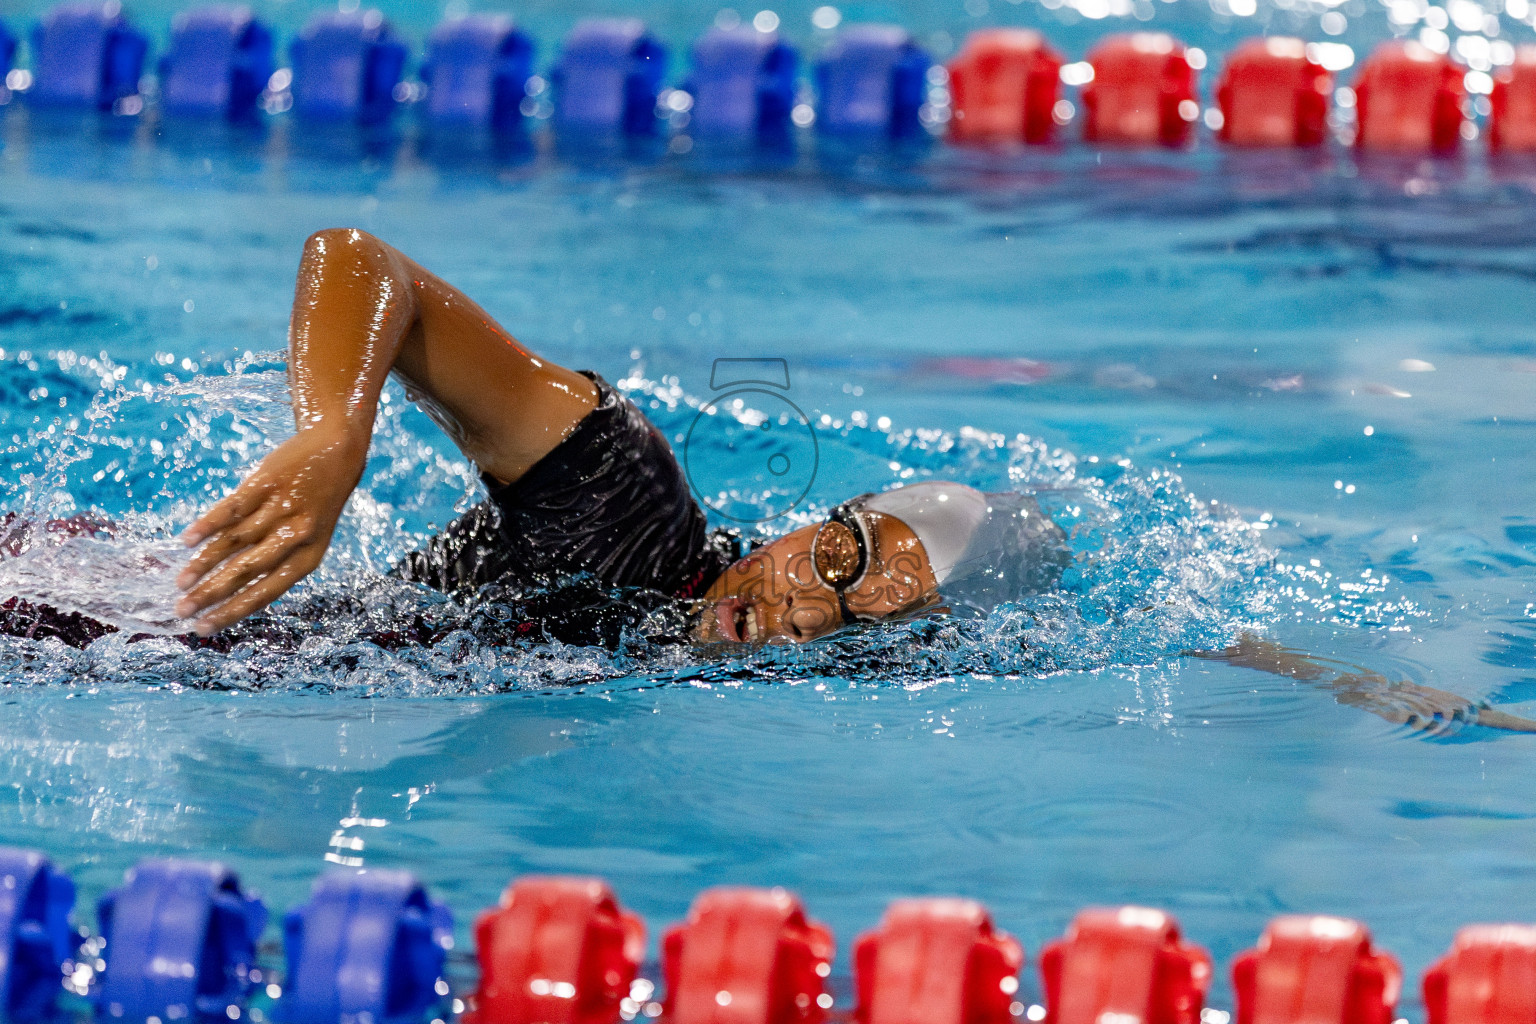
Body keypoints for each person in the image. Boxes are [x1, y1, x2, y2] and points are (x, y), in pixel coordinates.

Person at [2, 229, 1532, 734]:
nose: (805, 606)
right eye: (845, 553)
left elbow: (1143, 630)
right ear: (822, 515)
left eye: (870, 613)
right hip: (100, 594)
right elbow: (358, 262)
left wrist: (1365, 690)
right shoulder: (631, 504)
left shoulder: (747, 664)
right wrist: (335, 435)